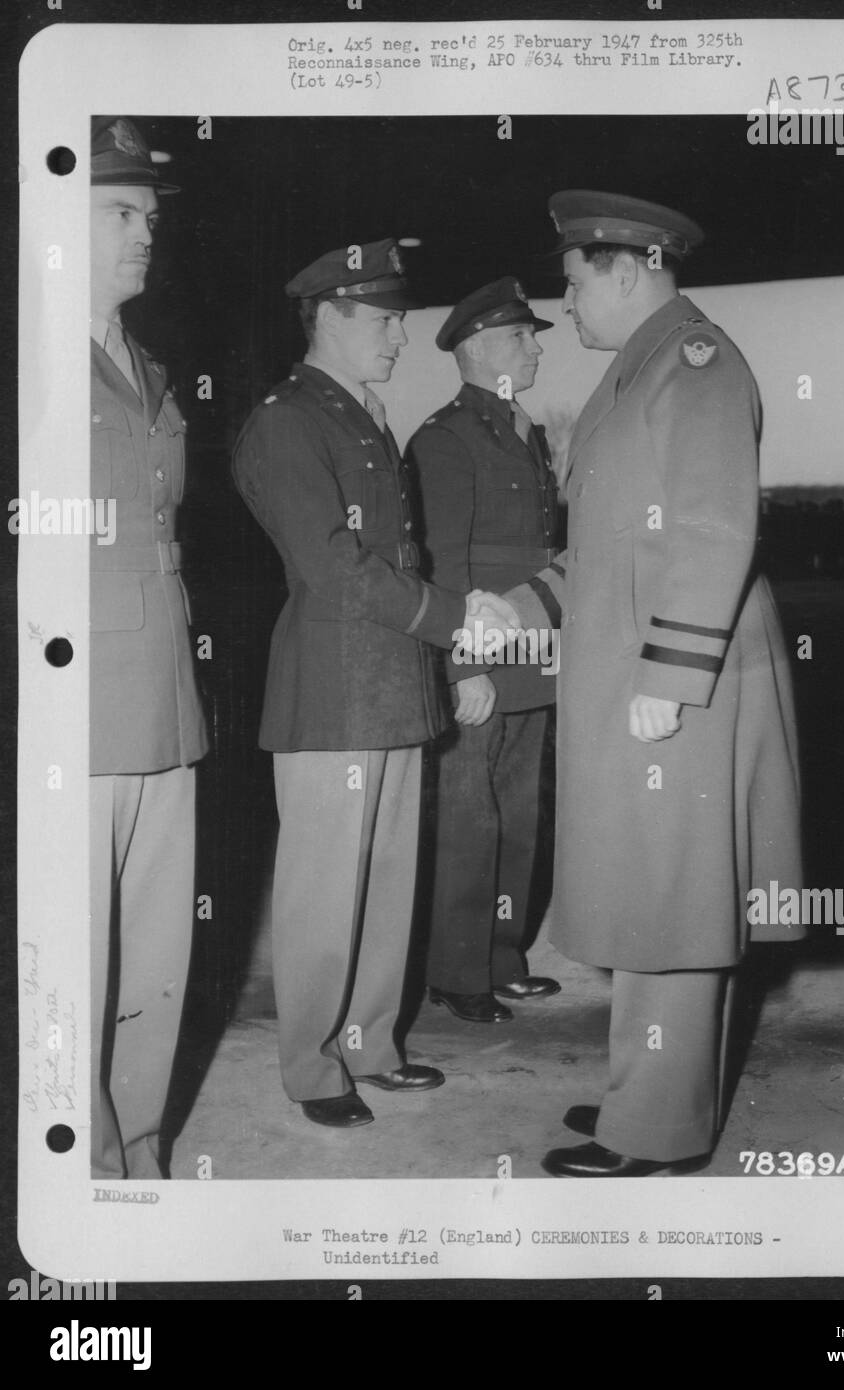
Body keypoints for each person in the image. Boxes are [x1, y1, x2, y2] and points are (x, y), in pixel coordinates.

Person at [504, 191, 804, 1176]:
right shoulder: (640, 371)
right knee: (650, 886)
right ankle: (648, 1091)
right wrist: (526, 604)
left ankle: (657, 1131)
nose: (567, 300)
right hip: (643, 666)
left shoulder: (695, 365)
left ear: (626, 269)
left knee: (672, 898)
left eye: (573, 279)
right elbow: (610, 543)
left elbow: (715, 527)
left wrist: (670, 676)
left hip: (681, 675)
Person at [232, 242, 518, 1129]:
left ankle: (371, 1041)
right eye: (387, 318)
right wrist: (452, 617)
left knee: (390, 875)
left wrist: (441, 633)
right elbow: (332, 568)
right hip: (332, 688)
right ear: (332, 318)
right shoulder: (287, 420)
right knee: (326, 887)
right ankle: (313, 1067)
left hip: (391, 678)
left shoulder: (361, 412)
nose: (403, 333)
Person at [89, 117, 208, 1178]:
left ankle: (142, 1143)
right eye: (120, 212)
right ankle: (80, 1163)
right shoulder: (34, 362)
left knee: (157, 947)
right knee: (75, 955)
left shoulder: (150, 366)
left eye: (151, 217)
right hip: (77, 710)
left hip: (165, 691)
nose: (145, 234)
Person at [408, 278, 562, 1024]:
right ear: (477, 350)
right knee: (470, 817)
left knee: (520, 815)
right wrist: (464, 665)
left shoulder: (521, 428)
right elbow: (442, 561)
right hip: (482, 656)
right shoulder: (445, 438)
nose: (534, 348)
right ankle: (457, 971)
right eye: (520, 337)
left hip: (532, 653)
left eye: (532, 336)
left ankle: (502, 957)